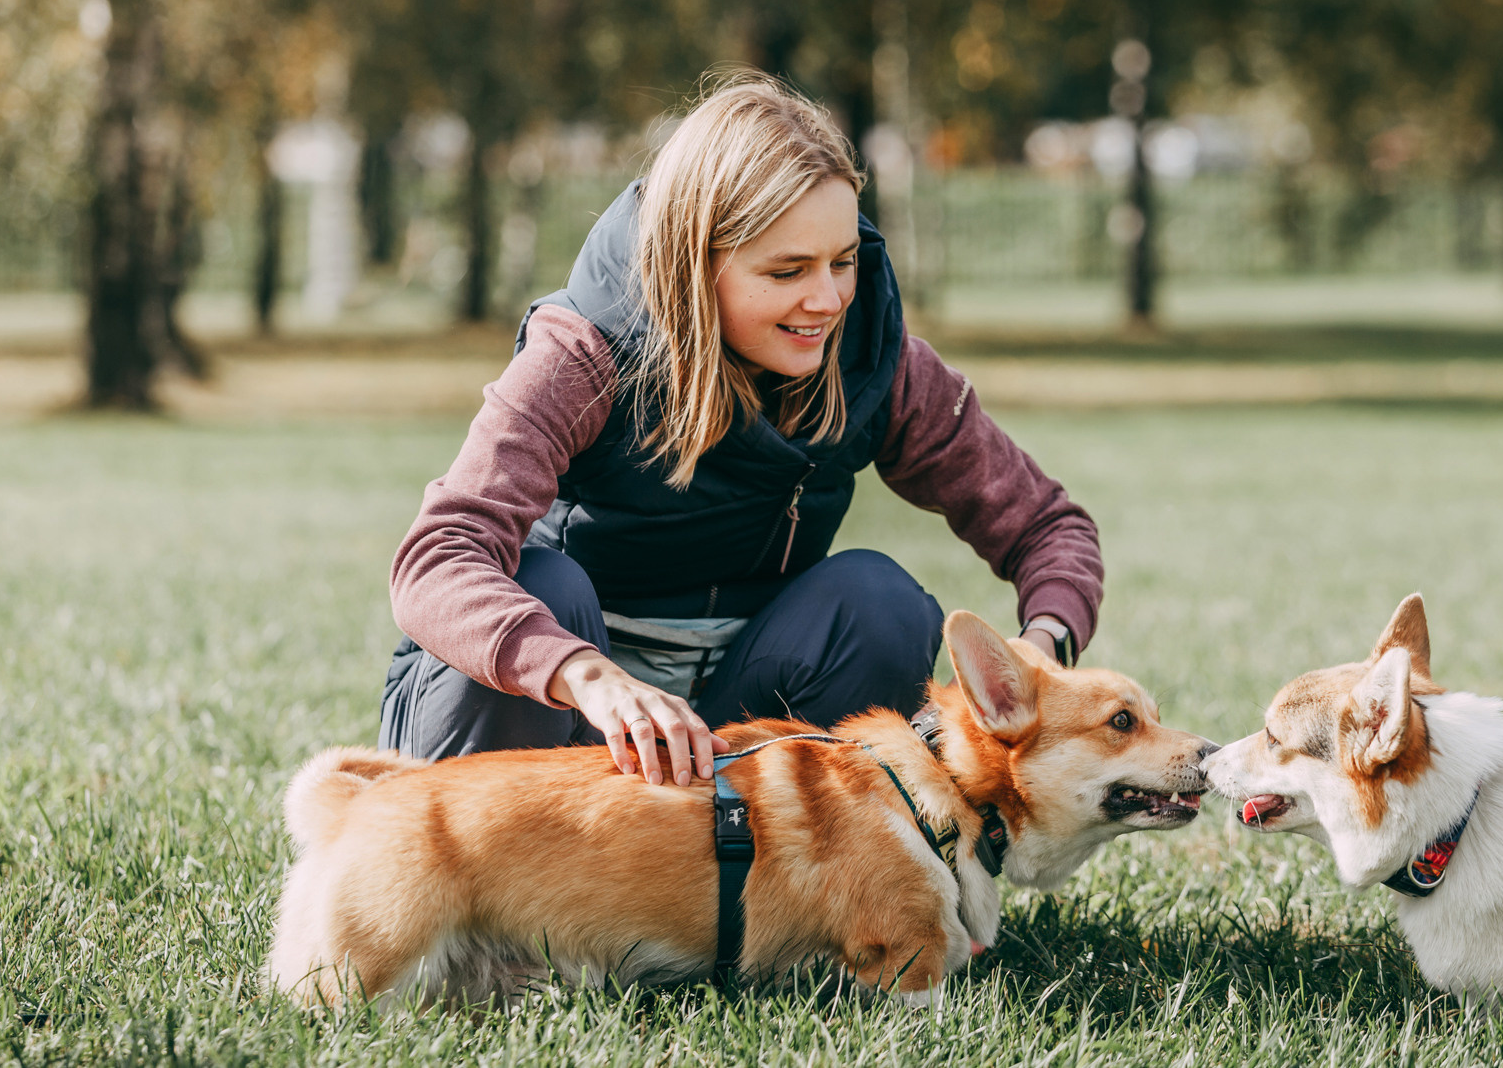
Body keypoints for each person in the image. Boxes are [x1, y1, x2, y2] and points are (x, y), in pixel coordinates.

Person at [381, 75, 1104, 787]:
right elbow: (437, 559)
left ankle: (782, 890)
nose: (826, 300)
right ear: (697, 264)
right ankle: (493, 895)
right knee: (541, 582)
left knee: (877, 602)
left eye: (843, 261)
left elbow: (1049, 526)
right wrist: (585, 675)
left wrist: (1038, 651)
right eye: (788, 270)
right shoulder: (581, 352)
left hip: (728, 724)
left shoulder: (875, 361)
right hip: (559, 714)